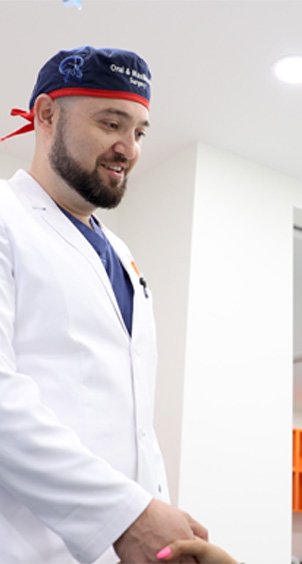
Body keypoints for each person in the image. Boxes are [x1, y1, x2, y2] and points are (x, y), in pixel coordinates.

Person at [0, 46, 206, 563]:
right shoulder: (6, 220)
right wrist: (125, 514)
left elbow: (132, 420)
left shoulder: (120, 254)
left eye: (139, 132)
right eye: (111, 123)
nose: (129, 149)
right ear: (46, 115)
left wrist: (155, 512)